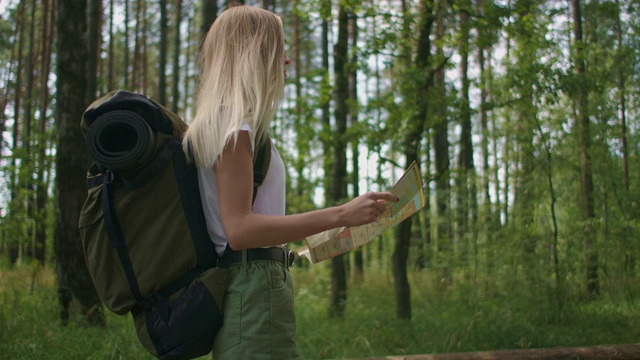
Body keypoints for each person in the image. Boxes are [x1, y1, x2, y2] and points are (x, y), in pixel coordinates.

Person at [182, 4, 399, 359]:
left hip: (254, 289)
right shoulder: (236, 130)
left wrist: (325, 236)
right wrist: (341, 214)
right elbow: (239, 230)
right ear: (253, 55)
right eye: (277, 49)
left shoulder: (228, 125)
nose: (286, 61)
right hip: (253, 295)